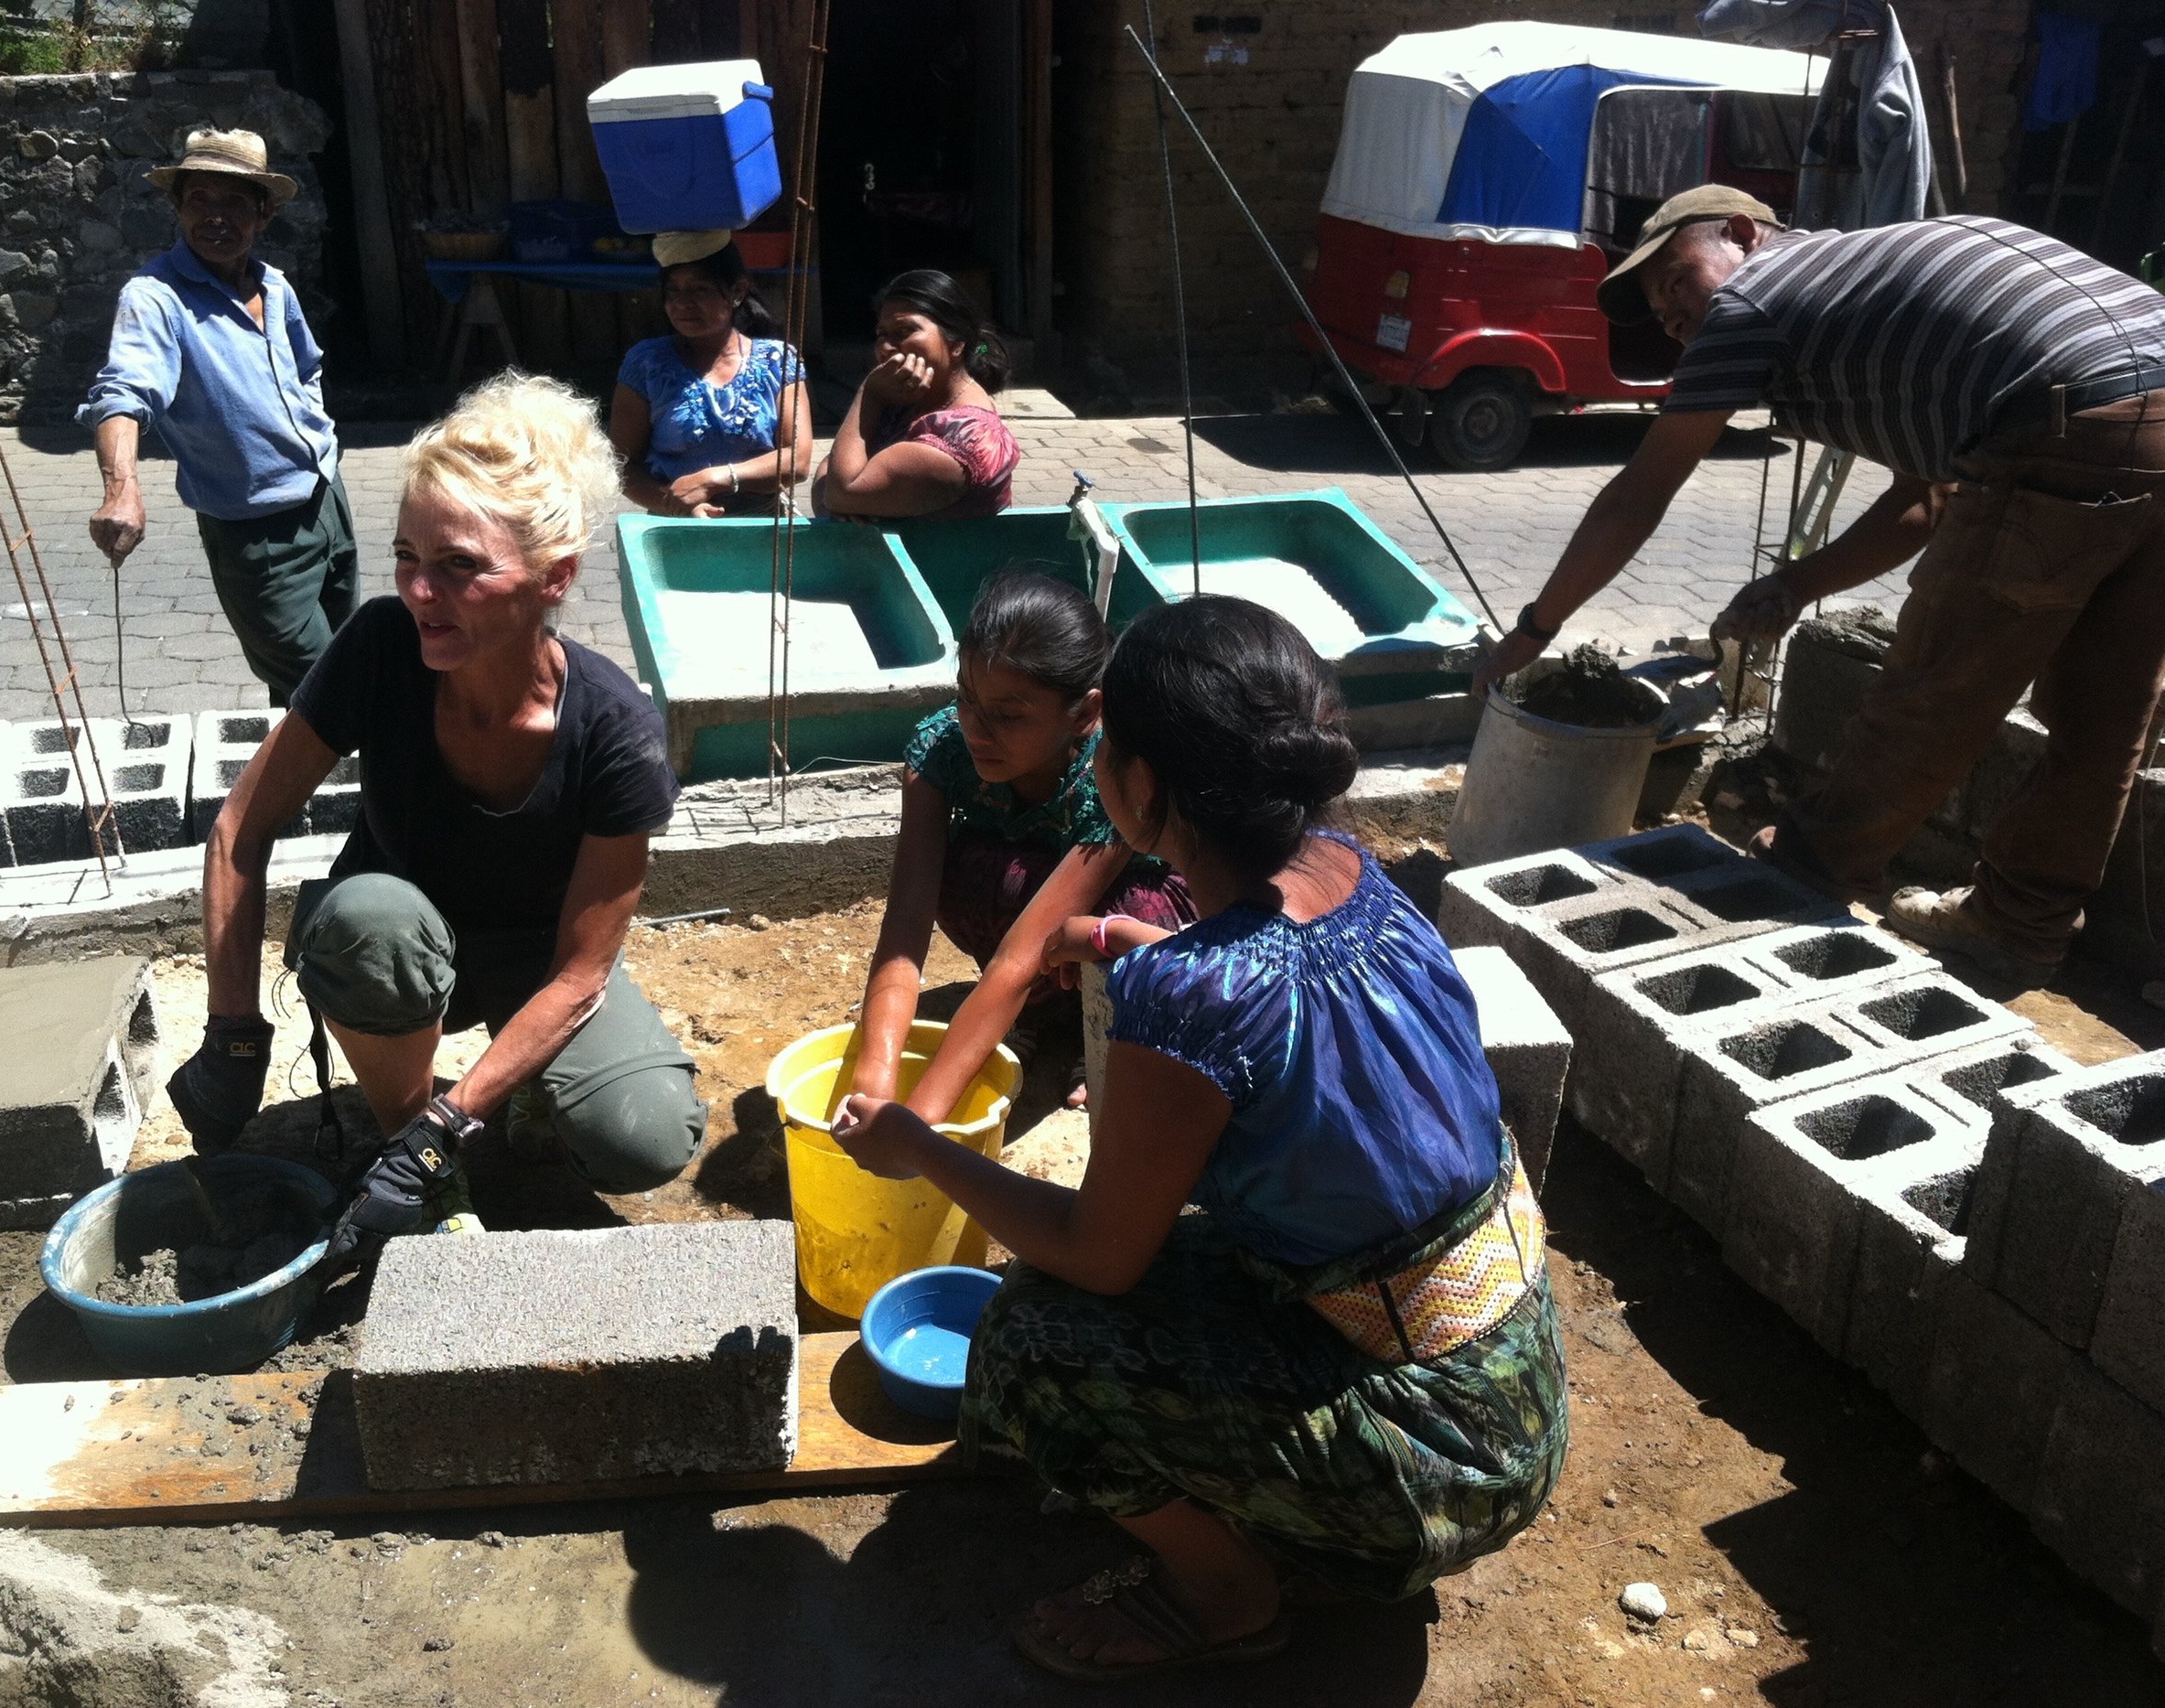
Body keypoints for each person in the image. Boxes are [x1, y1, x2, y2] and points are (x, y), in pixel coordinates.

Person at [833, 597, 1567, 1682]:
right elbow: (1284, 990)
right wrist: (1152, 957)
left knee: (1035, 1343)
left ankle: (1230, 1593)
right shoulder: (1363, 875)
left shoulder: (1193, 996)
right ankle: (1289, 1512)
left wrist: (921, 1145)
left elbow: (1095, 1251)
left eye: (1109, 753)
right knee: (1162, 1260)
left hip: (1437, 1457)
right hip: (1511, 1387)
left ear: (1137, 786)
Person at [1473, 186, 2165, 988]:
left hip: (2064, 408)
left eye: (1673, 281)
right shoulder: (1864, 289)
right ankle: (2020, 925)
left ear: (1740, 233)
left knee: (1938, 683)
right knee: (2105, 713)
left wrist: (1532, 630)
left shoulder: (1751, 301)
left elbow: (1637, 496)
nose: (1671, 319)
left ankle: (1804, 874)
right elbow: (1928, 496)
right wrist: (1799, 584)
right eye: (1658, 312)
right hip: (2139, 391)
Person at [164, 372, 707, 1250]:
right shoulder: (381, 647)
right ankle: (419, 1149)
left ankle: (475, 1113)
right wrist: (232, 1031)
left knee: (644, 1136)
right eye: (409, 557)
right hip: (401, 943)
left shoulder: (616, 732)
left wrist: (449, 1121)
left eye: (460, 566)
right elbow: (240, 832)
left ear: (553, 576)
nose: (421, 591)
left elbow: (578, 976)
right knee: (370, 917)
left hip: (538, 963)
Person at [852, 569, 1192, 1118]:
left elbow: (1021, 955)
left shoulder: (1113, 772)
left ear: (1084, 713)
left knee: (1127, 911)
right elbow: (906, 921)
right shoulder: (943, 748)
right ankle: (1030, 1015)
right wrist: (876, 1069)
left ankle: (1106, 1029)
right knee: (977, 875)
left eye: (1009, 715)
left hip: (1117, 920)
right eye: (966, 697)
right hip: (1034, 922)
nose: (976, 729)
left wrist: (917, 1123)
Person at [80, 128, 356, 705]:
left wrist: (313, 433)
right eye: (199, 199)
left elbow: (308, 367)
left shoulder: (275, 287)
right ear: (179, 207)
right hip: (253, 533)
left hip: (327, 501)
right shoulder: (154, 298)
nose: (215, 216)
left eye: (233, 201)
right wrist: (121, 489)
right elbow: (124, 392)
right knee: (332, 687)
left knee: (323, 674)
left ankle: (315, 793)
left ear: (263, 213)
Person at [609, 231, 813, 518]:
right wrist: (674, 502)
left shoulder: (777, 361)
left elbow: (797, 461)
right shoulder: (646, 363)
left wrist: (712, 480)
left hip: (766, 529)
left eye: (699, 289)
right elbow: (623, 465)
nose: (682, 303)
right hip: (676, 528)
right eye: (673, 291)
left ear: (737, 292)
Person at [813, 269, 1019, 521]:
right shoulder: (907, 399)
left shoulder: (965, 440)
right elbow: (831, 467)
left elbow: (841, 490)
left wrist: (869, 394)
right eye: (882, 334)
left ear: (957, 344)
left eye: (905, 331)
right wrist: (840, 506)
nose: (887, 348)